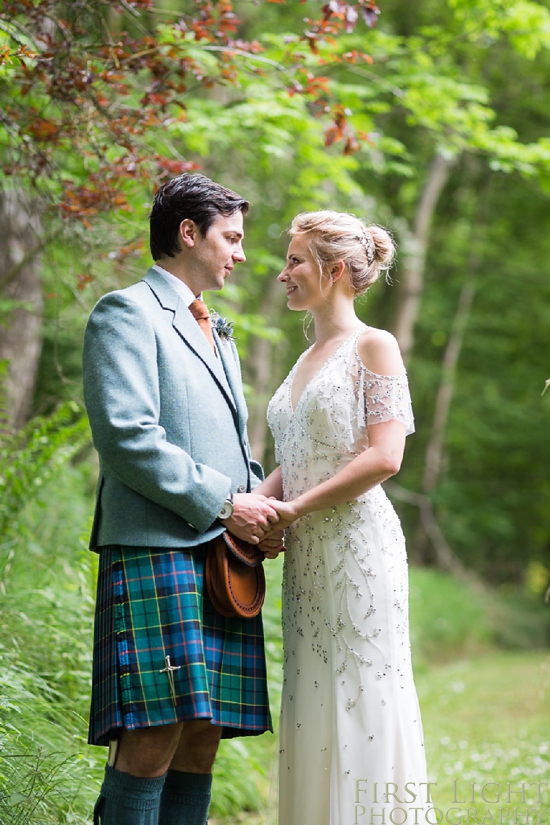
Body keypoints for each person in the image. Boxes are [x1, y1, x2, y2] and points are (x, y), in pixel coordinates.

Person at [82, 173, 283, 825]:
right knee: (152, 733)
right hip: (155, 547)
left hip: (224, 556)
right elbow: (126, 435)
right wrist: (231, 504)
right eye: (232, 237)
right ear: (188, 233)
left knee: (203, 734)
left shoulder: (216, 329)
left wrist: (257, 509)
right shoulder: (127, 311)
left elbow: (229, 443)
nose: (242, 254)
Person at [258, 211, 431, 825]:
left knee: (363, 694)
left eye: (295, 261)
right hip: (306, 557)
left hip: (358, 547)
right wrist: (261, 506)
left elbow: (386, 456)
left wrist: (293, 509)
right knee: (312, 695)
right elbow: (296, 458)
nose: (283, 274)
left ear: (333, 271)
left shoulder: (372, 346)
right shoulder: (304, 357)